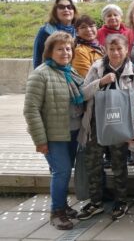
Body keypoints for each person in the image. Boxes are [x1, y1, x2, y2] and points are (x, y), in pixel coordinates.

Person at [24, 32, 88, 230]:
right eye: (59, 49)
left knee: (64, 170)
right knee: (61, 171)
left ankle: (63, 205)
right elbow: (30, 110)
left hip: (72, 132)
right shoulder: (41, 74)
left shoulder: (70, 72)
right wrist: (40, 140)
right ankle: (57, 211)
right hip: (53, 135)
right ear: (49, 51)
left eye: (68, 48)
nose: (65, 52)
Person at [77, 34, 134, 221]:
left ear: (126, 50)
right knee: (93, 162)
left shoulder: (133, 72)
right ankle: (96, 201)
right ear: (105, 50)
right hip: (96, 123)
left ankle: (121, 200)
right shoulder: (97, 67)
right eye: (111, 49)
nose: (115, 53)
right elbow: (83, 94)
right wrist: (101, 82)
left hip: (120, 123)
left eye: (119, 49)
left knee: (119, 162)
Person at [32, 0, 79, 68]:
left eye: (69, 7)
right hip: (51, 73)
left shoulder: (79, 30)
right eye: (61, 7)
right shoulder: (45, 31)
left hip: (74, 73)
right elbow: (38, 57)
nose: (66, 9)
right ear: (55, 11)